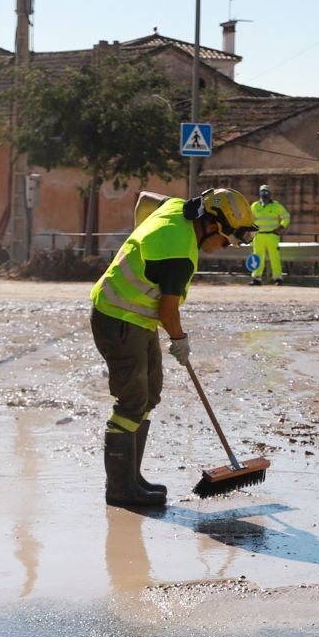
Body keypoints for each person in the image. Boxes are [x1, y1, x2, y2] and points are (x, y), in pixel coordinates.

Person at [90, 187, 257, 507]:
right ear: (210, 225)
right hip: (118, 318)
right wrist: (181, 341)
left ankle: (132, 479)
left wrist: (141, 239)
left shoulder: (175, 208)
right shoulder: (178, 255)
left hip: (138, 318)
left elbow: (143, 200)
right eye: (225, 240)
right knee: (132, 401)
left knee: (150, 394)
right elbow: (169, 313)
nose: (223, 248)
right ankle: (119, 490)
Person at [249, 182, 290, 285]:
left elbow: (286, 217)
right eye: (262, 191)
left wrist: (281, 227)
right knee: (257, 257)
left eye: (266, 191)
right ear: (259, 193)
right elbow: (249, 219)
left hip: (272, 235)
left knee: (274, 257)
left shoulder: (276, 206)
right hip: (258, 236)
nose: (264, 193)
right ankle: (256, 278)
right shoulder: (254, 206)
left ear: (270, 193)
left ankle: (277, 278)